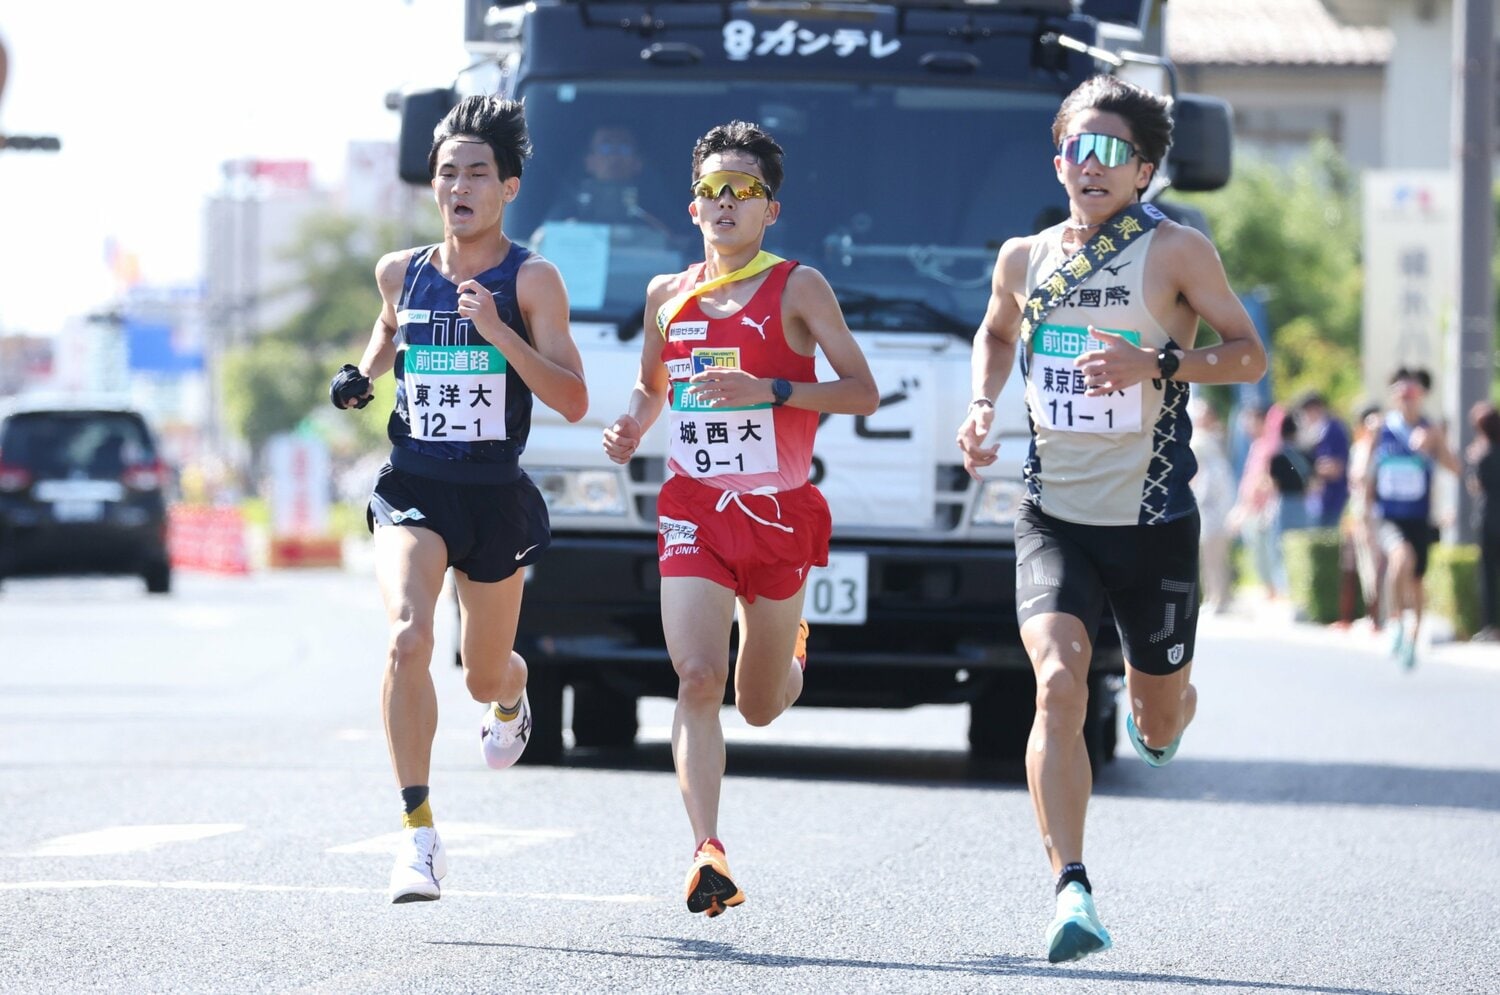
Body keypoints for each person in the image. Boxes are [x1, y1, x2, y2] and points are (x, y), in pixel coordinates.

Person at [955, 75, 1267, 964]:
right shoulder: (1025, 255)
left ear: (1144, 169)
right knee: (1056, 681)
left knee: (1159, 719)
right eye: (1073, 150)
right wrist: (981, 403)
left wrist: (1158, 362)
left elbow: (1248, 356)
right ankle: (1072, 888)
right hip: (1052, 513)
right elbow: (997, 331)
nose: (1087, 168)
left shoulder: (1177, 252)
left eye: (1108, 153)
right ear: (1057, 160)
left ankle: (1165, 706)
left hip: (1154, 517)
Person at [601, 121, 878, 918]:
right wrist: (631, 424)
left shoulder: (798, 287)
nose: (726, 204)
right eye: (714, 192)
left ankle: (788, 647)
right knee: (696, 677)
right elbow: (654, 388)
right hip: (694, 508)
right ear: (693, 208)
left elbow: (861, 390)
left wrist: (776, 391)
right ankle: (707, 852)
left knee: (758, 702)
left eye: (743, 192)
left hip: (779, 511)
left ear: (770, 209)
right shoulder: (666, 295)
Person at [330, 95, 588, 903]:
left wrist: (501, 333)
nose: (460, 185)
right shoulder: (400, 270)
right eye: (448, 173)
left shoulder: (533, 278)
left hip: (493, 495)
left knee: (481, 674)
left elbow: (575, 398)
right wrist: (362, 373)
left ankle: (512, 695)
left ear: (508, 186)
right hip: (414, 483)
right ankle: (418, 834)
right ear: (433, 187)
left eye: (478, 172)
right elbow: (387, 326)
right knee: (408, 637)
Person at [1370, 367, 1460, 669]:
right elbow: (1363, 468)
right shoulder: (1382, 428)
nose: (1407, 400)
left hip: (1419, 516)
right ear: (1394, 397)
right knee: (1400, 559)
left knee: (1418, 579)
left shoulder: (1430, 429)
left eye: (1413, 394)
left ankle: (1412, 638)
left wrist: (1436, 444)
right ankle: (1395, 622)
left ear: (1421, 397)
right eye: (1402, 394)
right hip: (1389, 515)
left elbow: (1453, 467)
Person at [549, 125, 667, 231]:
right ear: (589, 161)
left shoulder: (655, 209)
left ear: (638, 162)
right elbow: (540, 240)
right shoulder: (570, 208)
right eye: (605, 148)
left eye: (624, 149)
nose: (615, 157)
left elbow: (676, 242)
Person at [1188, 396, 1235, 614]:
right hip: (1205, 501)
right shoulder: (1203, 438)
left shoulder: (1212, 438)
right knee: (1208, 554)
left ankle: (1221, 597)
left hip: (1215, 501)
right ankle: (1213, 596)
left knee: (1216, 553)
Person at [1342, 404, 1385, 629]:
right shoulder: (1360, 449)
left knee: (1381, 563)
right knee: (1367, 563)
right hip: (1364, 514)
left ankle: (1383, 614)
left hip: (1384, 514)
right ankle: (1373, 614)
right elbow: (1358, 481)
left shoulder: (1389, 449)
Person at [1464, 401, 1500, 641]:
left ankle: (1491, 625)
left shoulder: (1480, 454)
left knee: (1488, 574)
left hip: (1488, 518)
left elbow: (1475, 487)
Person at [1295, 391, 1351, 529]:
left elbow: (1336, 468)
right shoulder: (1319, 432)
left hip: (1336, 500)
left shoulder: (1334, 430)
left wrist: (1309, 469)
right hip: (1323, 502)